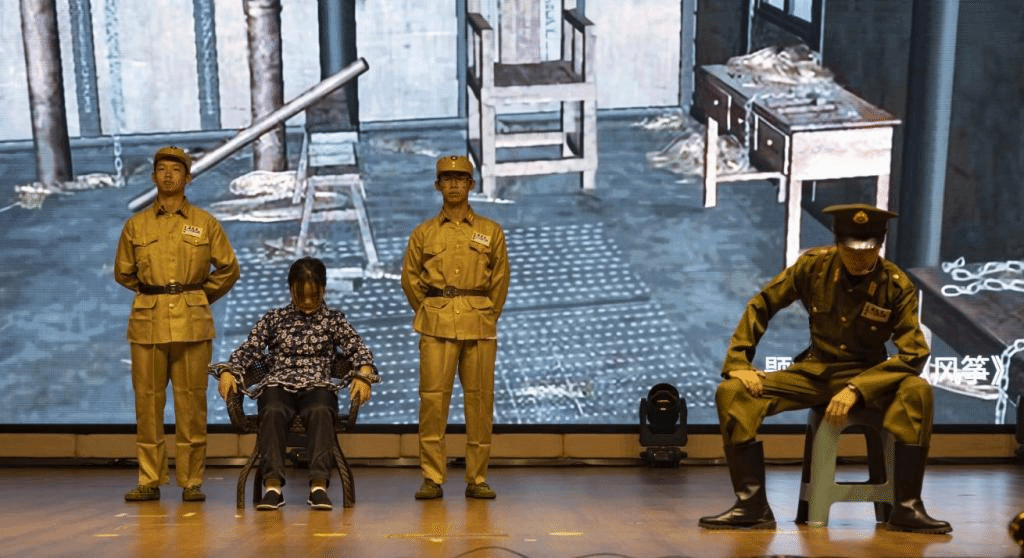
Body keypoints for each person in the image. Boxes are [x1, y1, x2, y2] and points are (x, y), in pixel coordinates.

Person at [698, 203, 951, 534]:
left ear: (880, 244)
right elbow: (763, 303)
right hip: (816, 373)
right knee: (733, 393)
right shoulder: (813, 267)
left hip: (868, 375)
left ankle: (907, 507)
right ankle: (752, 506)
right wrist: (738, 362)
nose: (859, 257)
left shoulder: (894, 284)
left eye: (868, 249)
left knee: (917, 391)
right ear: (837, 242)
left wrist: (858, 389)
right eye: (851, 249)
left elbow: (914, 353)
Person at [114, 146, 240, 502]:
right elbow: (123, 271)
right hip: (148, 324)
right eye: (162, 169)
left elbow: (229, 268)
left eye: (175, 169)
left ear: (188, 178)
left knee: (191, 404)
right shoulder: (136, 225)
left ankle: (191, 480)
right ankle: (149, 479)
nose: (168, 175)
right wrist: (152, 293)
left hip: (192, 323)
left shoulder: (205, 223)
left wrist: (197, 296)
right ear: (153, 177)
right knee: (147, 404)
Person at [215, 257, 377, 511]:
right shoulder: (274, 318)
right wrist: (228, 370)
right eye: (302, 296)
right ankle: (272, 488)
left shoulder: (334, 320)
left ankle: (319, 487)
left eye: (314, 295)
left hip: (318, 386)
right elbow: (249, 349)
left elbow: (359, 349)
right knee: (273, 410)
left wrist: (364, 373)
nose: (308, 302)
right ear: (291, 289)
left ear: (323, 288)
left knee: (321, 411)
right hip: (278, 384)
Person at [401, 155, 510, 500]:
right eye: (447, 180)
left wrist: (487, 313)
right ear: (438, 186)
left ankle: (477, 477)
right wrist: (430, 309)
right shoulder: (424, 233)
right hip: (437, 324)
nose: (453, 185)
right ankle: (432, 477)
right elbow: (410, 279)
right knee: (433, 403)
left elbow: (500, 279)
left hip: (478, 323)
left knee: (480, 403)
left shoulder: (491, 231)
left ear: (471, 185)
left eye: (460, 179)